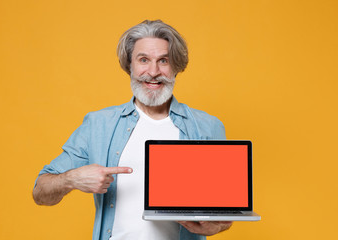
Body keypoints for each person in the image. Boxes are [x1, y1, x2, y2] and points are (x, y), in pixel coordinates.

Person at [33, 20, 232, 240]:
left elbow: (223, 214)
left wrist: (215, 227)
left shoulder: (207, 126)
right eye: (144, 60)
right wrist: (72, 179)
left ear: (175, 66)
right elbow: (40, 192)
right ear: (130, 65)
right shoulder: (99, 124)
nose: (154, 72)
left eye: (163, 61)